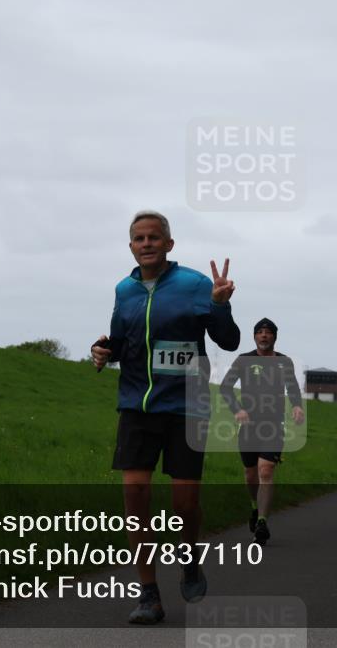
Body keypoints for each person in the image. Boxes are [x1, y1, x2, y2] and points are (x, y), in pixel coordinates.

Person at [91, 210, 240, 624]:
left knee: (185, 504)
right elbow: (122, 343)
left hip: (187, 407)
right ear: (131, 246)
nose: (146, 243)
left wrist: (220, 306)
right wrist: (102, 350)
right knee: (135, 498)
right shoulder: (125, 290)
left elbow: (228, 339)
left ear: (169, 244)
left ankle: (189, 558)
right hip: (137, 407)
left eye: (154, 237)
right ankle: (148, 593)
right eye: (138, 238)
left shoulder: (194, 284)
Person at [219, 318, 305, 546]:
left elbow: (293, 387)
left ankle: (263, 522)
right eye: (260, 332)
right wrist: (237, 410)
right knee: (250, 474)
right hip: (248, 426)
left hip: (273, 426)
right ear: (255, 336)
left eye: (268, 332)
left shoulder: (284, 362)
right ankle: (255, 508)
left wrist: (297, 405)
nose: (264, 335)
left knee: (265, 470)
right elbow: (225, 388)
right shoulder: (244, 360)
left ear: (275, 337)